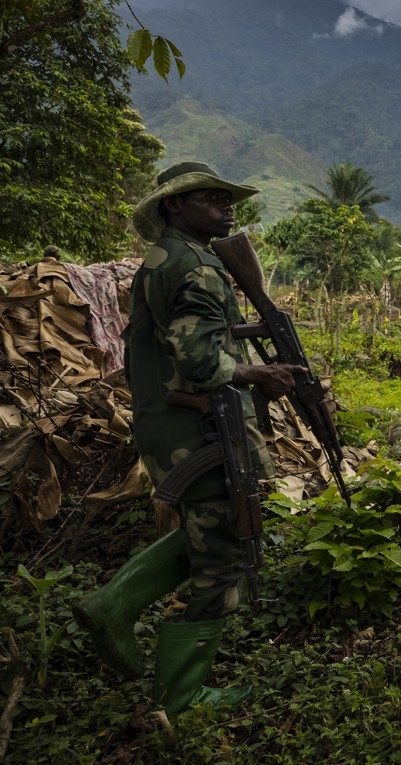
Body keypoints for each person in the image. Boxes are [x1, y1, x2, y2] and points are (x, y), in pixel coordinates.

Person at [74, 162, 303, 716]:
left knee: (210, 529)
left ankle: (112, 602)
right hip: (195, 427)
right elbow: (200, 359)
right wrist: (259, 374)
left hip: (175, 424)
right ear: (174, 206)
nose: (227, 207)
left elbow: (192, 337)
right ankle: (181, 694)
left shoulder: (169, 258)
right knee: (223, 559)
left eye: (228, 198)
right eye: (210, 198)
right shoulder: (195, 266)